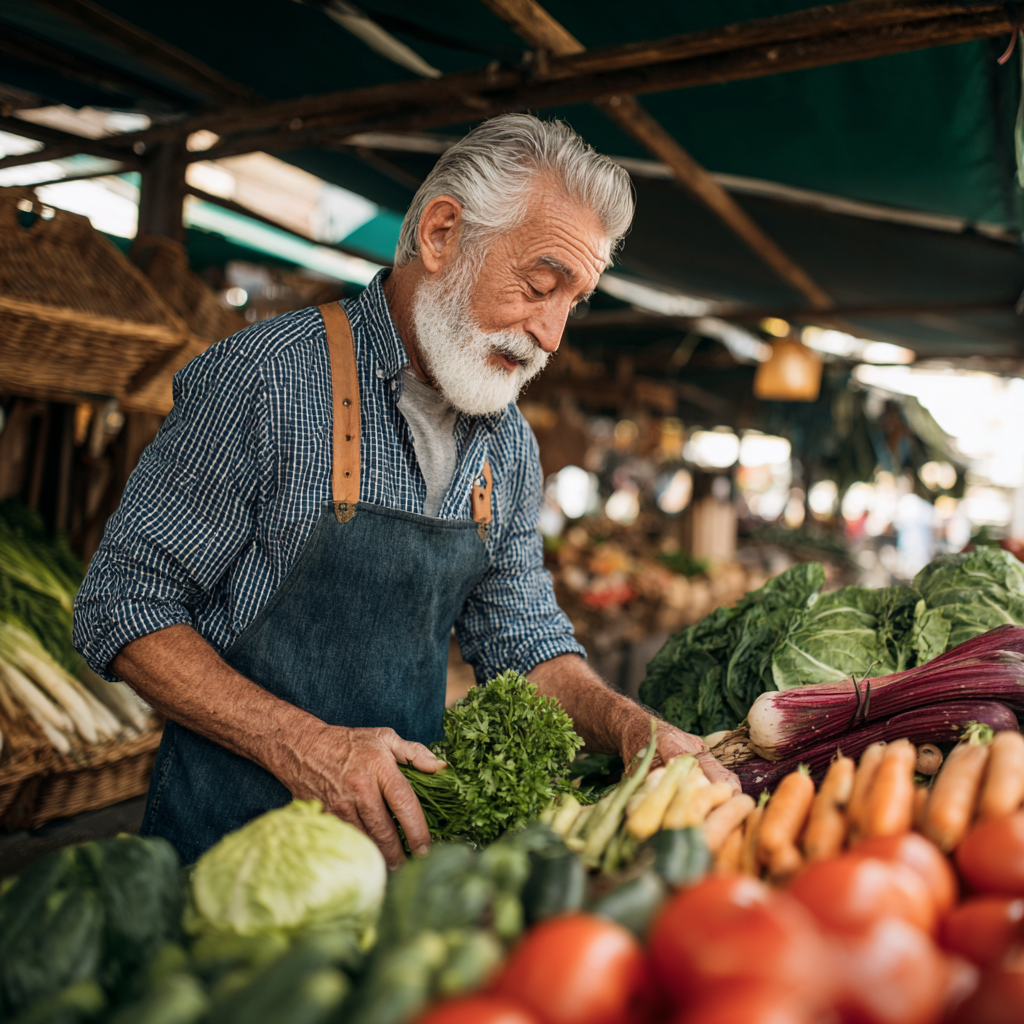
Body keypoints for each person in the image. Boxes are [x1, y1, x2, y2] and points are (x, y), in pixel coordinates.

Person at [74, 113, 735, 869]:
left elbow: (523, 640)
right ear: (442, 234)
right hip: (226, 852)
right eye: (538, 286)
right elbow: (122, 604)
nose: (551, 335)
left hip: (398, 860)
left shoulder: (510, 445)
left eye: (570, 304)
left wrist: (631, 730)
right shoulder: (265, 380)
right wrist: (304, 745)